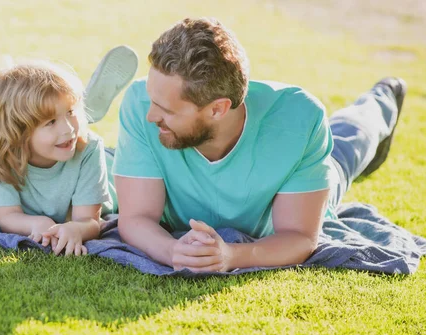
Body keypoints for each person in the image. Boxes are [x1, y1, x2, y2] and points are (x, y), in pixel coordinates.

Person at [112, 17, 407, 272]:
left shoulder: (299, 120)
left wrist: (232, 255)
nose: (151, 115)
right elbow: (136, 218)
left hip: (303, 175)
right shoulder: (141, 104)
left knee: (350, 142)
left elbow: (300, 236)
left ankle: (383, 97)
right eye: (153, 100)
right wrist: (172, 251)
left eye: (167, 110)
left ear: (217, 109)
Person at [0, 47, 137, 257]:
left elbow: (90, 220)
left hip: (113, 171)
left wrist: (76, 228)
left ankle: (79, 113)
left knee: (101, 150)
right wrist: (39, 223)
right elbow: (7, 216)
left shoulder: (89, 150)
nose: (67, 129)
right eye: (50, 122)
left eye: (70, 113)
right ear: (16, 131)